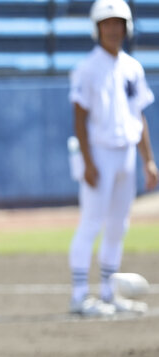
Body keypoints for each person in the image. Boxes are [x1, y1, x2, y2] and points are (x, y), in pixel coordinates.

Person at [68, 0, 157, 316]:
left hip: (126, 154)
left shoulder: (132, 67)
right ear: (97, 28)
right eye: (107, 23)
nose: (113, 29)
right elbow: (79, 118)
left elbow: (139, 116)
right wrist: (89, 161)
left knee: (119, 224)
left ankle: (108, 292)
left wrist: (148, 160)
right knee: (91, 223)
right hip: (100, 153)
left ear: (127, 27)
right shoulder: (87, 68)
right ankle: (80, 295)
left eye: (118, 23)